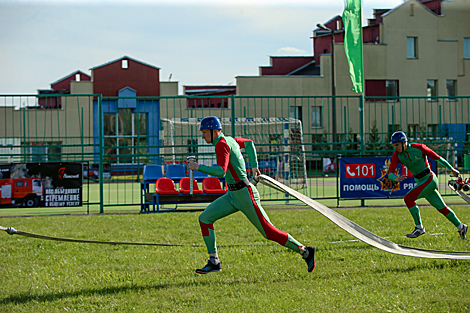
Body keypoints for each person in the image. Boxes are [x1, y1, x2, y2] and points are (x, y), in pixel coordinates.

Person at [187, 116, 316, 274]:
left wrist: (198, 166)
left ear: (215, 131)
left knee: (268, 232)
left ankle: (305, 251)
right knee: (204, 218)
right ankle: (214, 261)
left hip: (245, 195)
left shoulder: (221, 144)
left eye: (205, 132)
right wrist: (254, 167)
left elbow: (221, 171)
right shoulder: (229, 140)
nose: (202, 136)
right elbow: (249, 143)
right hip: (233, 194)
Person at [386, 131, 467, 239]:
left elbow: (437, 158)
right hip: (420, 181)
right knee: (441, 207)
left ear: (404, 142)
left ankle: (419, 227)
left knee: (408, 199)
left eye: (397, 145)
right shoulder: (397, 155)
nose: (395, 147)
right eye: (394, 145)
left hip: (429, 179)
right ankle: (461, 227)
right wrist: (396, 178)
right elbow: (390, 173)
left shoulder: (419, 148)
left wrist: (451, 169)